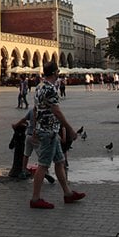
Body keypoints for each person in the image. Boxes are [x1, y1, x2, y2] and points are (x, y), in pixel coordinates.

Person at [28, 62, 85, 209]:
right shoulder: (51, 89)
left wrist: (34, 128)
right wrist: (70, 129)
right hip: (48, 132)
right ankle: (35, 199)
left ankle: (68, 193)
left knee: (59, 162)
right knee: (43, 165)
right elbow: (56, 111)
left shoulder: (39, 86)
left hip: (48, 130)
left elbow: (35, 109)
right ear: (54, 72)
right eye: (58, 71)